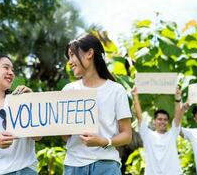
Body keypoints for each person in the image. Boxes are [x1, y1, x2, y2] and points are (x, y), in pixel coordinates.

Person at [62, 33, 132, 175]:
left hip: (106, 165)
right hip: (74, 165)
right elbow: (66, 136)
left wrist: (103, 141)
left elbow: (127, 135)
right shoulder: (68, 90)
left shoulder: (116, 90)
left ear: (89, 53)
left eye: (72, 55)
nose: (70, 62)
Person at [132, 86, 185, 175]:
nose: (162, 122)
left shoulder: (172, 134)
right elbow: (139, 116)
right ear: (154, 121)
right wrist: (135, 97)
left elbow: (177, 116)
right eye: (159, 119)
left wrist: (177, 98)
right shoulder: (147, 134)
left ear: (168, 122)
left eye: (165, 119)